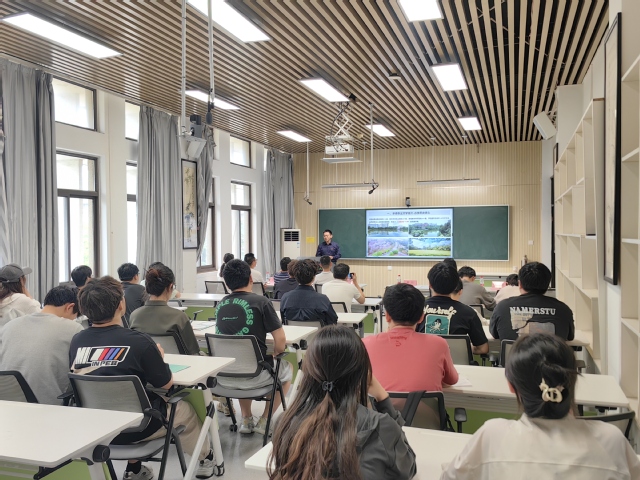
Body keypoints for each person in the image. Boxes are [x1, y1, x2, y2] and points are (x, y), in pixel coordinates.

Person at [69, 276, 215, 480]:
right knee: (184, 410)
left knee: (126, 402)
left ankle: (135, 469)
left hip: (98, 427)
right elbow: (166, 383)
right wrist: (159, 358)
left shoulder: (77, 341)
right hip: (140, 427)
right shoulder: (139, 342)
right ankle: (206, 458)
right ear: (121, 305)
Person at [441, 333, 640, 479]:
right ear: (573, 380)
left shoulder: (492, 436)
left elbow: (450, 476)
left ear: (511, 386)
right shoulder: (612, 440)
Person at [268, 325, 416, 480]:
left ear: (310, 372)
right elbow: (407, 468)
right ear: (361, 374)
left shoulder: (285, 422)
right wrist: (382, 397)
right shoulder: (381, 427)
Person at [215, 259, 292, 435]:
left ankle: (246, 419)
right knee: (287, 370)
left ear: (226, 283)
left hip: (224, 376)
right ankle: (264, 420)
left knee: (243, 361)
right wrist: (276, 354)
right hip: (253, 376)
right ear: (251, 278)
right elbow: (280, 340)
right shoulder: (262, 302)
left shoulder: (221, 305)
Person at [364, 283, 458, 392]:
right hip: (424, 404)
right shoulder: (439, 344)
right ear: (421, 317)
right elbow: (452, 380)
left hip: (377, 403)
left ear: (387, 316)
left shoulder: (365, 344)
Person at [0, 286, 82, 405]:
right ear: (70, 307)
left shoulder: (9, 326)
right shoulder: (74, 328)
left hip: (8, 404)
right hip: (49, 407)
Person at [490, 262, 574, 341]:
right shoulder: (563, 310)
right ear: (547, 285)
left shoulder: (502, 307)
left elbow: (495, 335)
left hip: (514, 352)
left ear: (520, 284)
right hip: (551, 352)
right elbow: (570, 337)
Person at [129, 264, 200, 355]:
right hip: (178, 363)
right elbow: (193, 352)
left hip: (147, 363)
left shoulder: (134, 316)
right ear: (170, 287)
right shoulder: (179, 317)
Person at [421, 264, 489, 354]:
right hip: (456, 363)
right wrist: (463, 348)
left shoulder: (416, 309)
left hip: (422, 361)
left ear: (430, 285)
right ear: (455, 286)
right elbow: (483, 349)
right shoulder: (468, 313)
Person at [280, 259, 338, 326]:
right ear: (314, 277)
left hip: (293, 332)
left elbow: (283, 320)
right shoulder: (322, 299)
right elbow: (333, 321)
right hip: (319, 332)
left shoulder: (285, 298)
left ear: (295, 276)